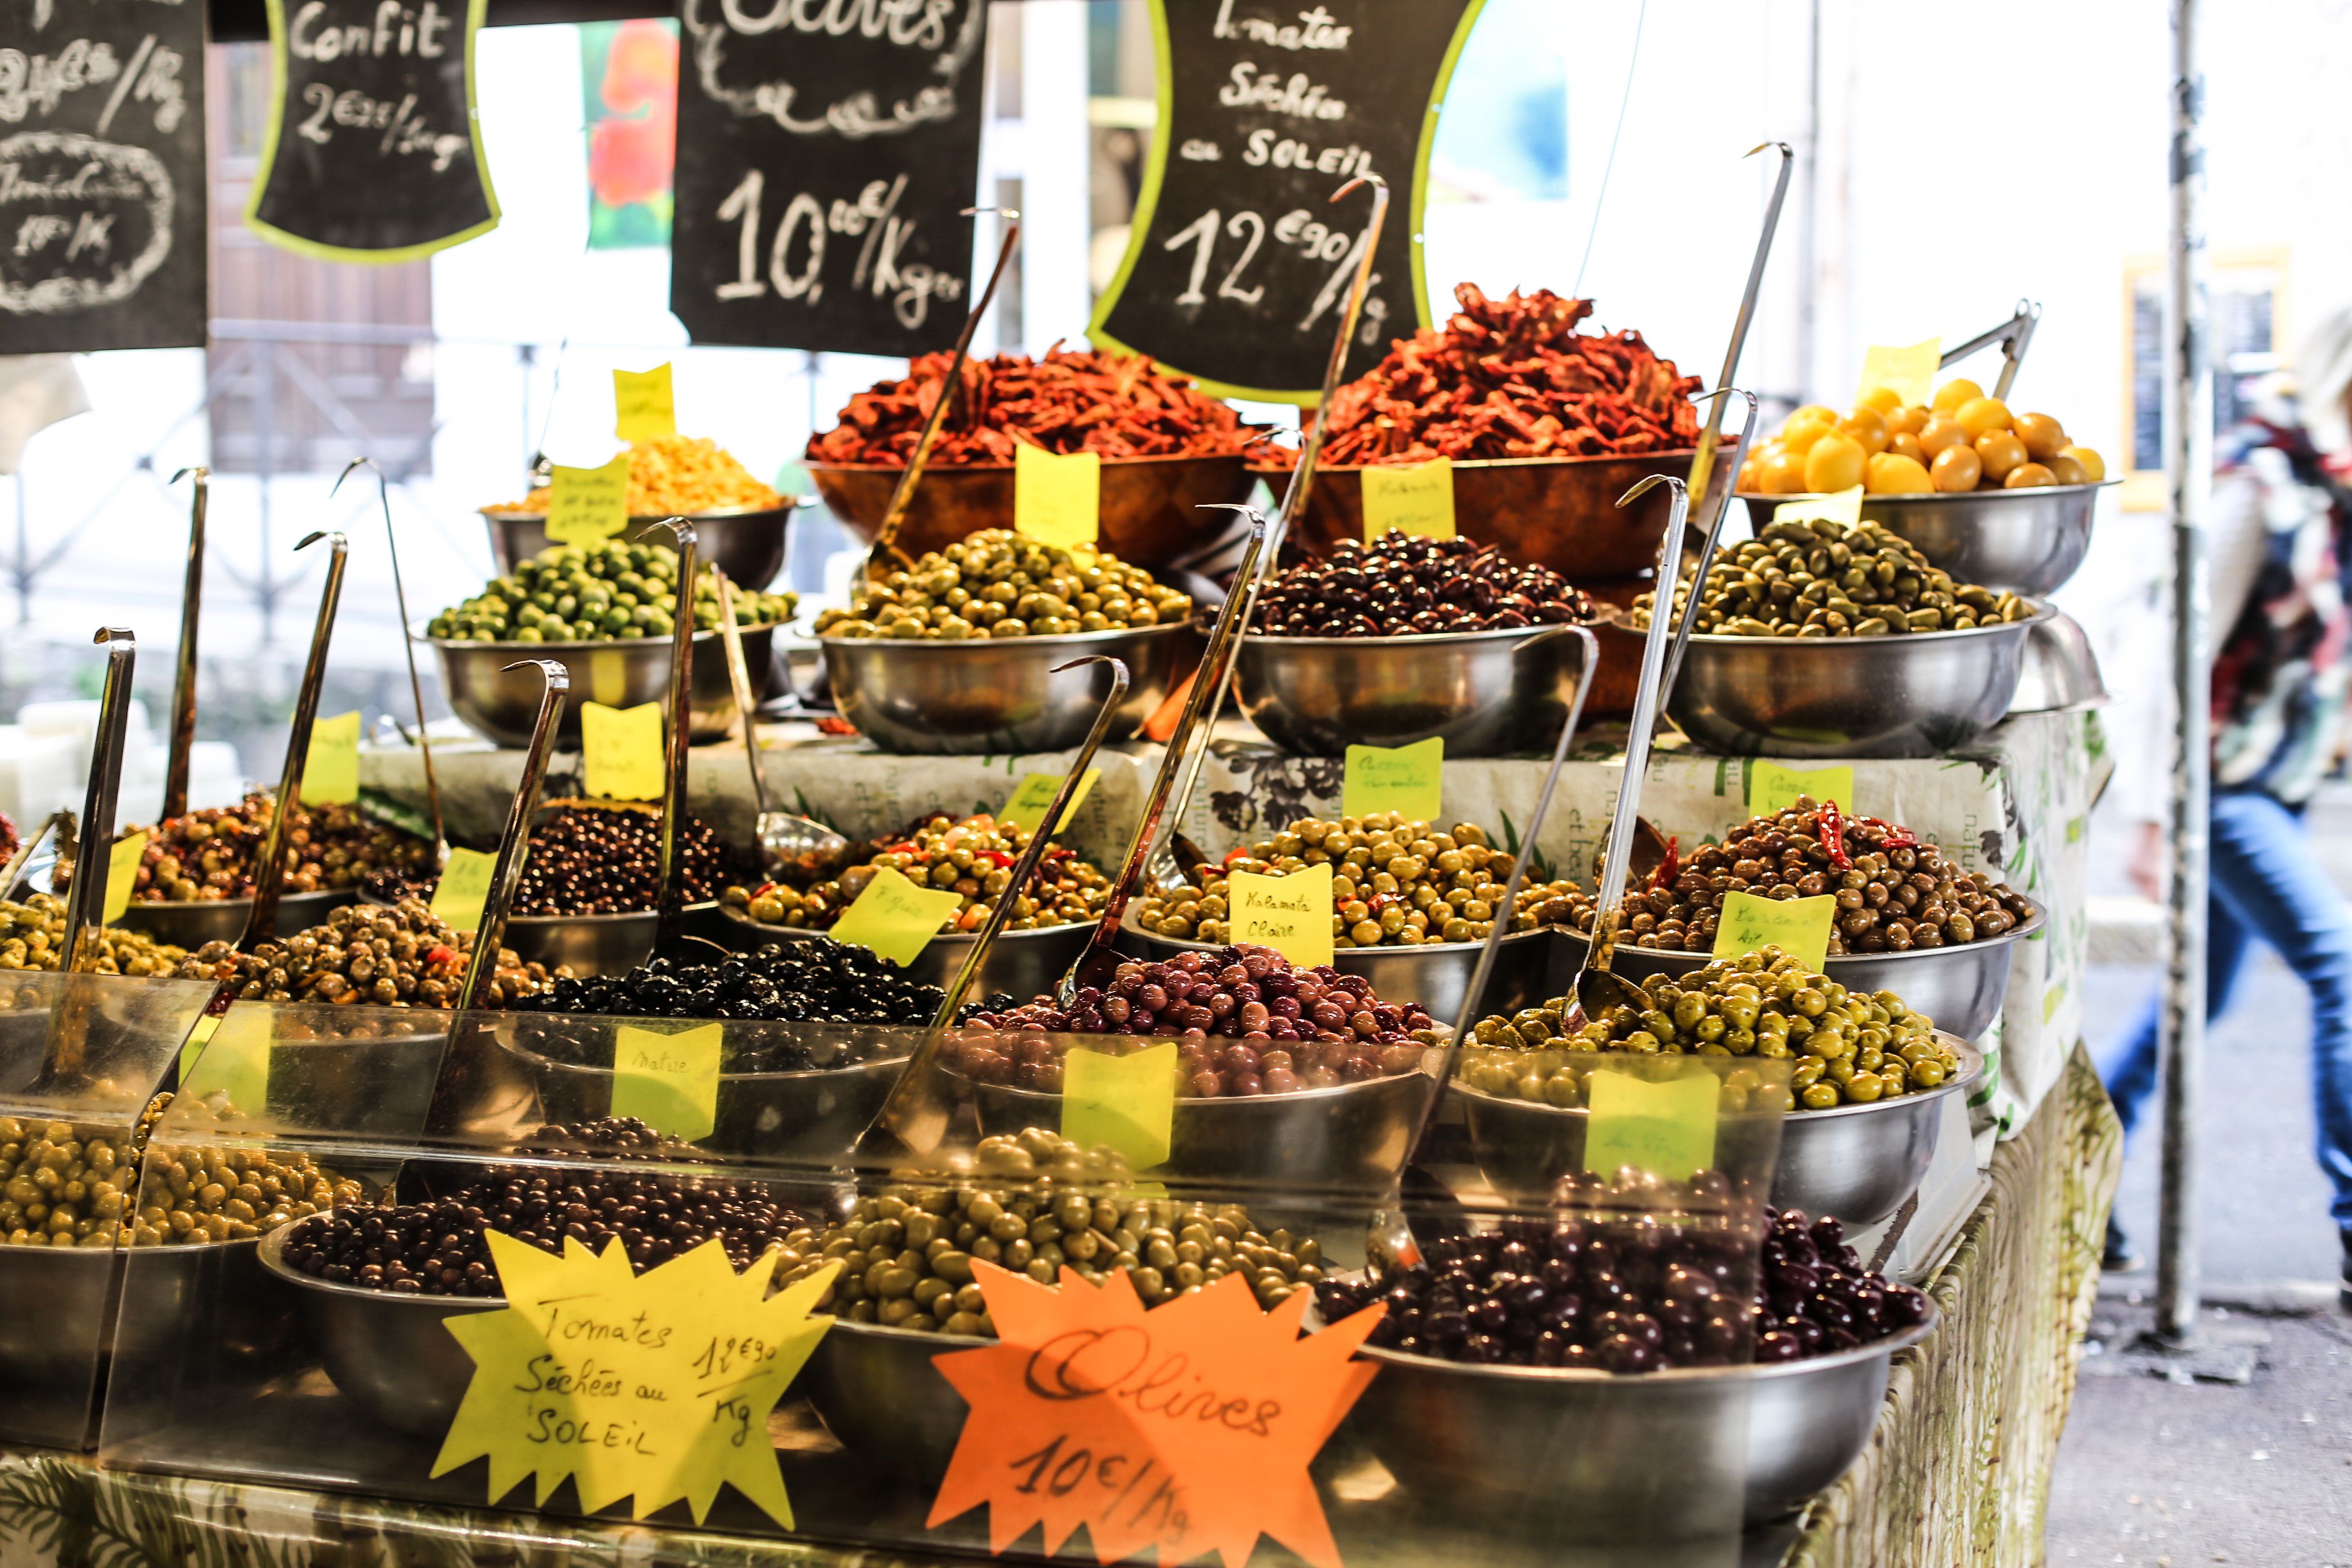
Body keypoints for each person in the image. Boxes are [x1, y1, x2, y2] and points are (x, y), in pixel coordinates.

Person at [2101, 302, 2352, 1307]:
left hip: (2271, 786)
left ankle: (2085, 1175)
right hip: (2220, 788)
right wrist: (2152, 816)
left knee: (2190, 1001)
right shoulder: (2260, 482)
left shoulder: (2328, 489)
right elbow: (2177, 646)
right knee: (2340, 968)